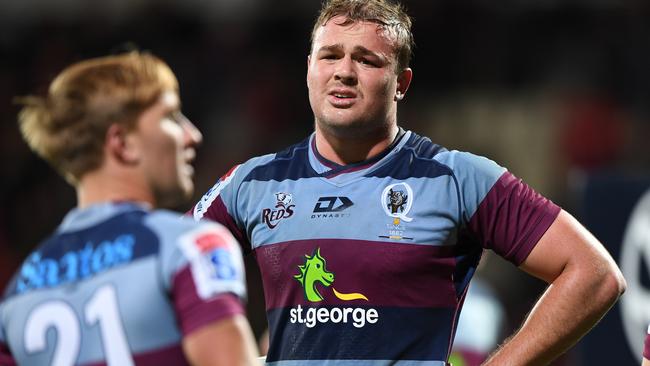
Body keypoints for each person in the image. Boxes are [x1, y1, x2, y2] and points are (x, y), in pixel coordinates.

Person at [191, 0, 626, 364]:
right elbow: (162, 270)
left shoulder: (457, 178)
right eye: (330, 55)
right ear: (309, 69)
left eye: (366, 60)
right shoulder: (252, 182)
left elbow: (593, 273)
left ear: (401, 83)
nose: (344, 71)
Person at [0, 52, 259, 365]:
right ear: (122, 143)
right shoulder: (190, 248)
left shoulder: (18, 293)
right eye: (171, 116)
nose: (192, 135)